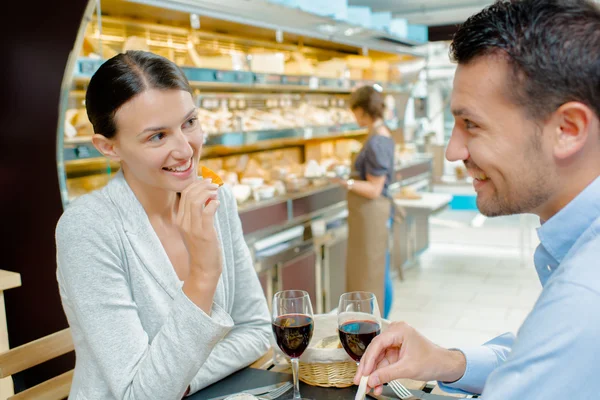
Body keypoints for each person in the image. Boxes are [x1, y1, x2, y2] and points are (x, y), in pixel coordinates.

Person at [354, 0, 600, 398]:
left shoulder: (586, 297)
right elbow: (536, 361)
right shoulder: (573, 256)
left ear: (567, 129)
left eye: (471, 124)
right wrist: (445, 361)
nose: (453, 151)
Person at [55, 51, 271, 399]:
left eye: (189, 123)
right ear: (109, 147)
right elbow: (139, 395)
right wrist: (203, 274)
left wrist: (182, 381)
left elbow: (257, 329)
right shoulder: (88, 229)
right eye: (157, 136)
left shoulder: (216, 199)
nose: (186, 150)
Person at [336, 85, 401, 319]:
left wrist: (346, 183)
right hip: (370, 215)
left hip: (373, 214)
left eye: (355, 111)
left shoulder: (376, 141)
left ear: (363, 111)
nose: (354, 117)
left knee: (375, 272)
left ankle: (380, 321)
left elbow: (374, 189)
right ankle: (380, 319)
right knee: (375, 269)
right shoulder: (380, 133)